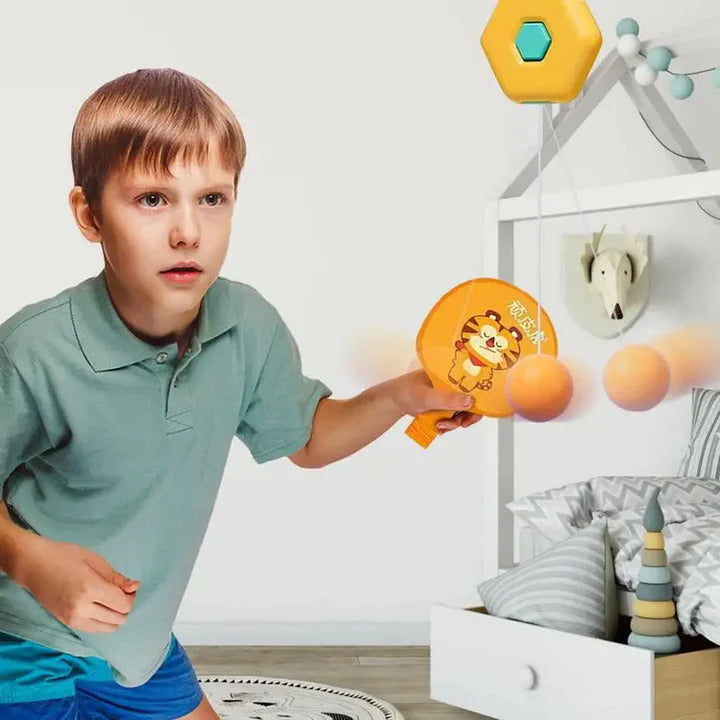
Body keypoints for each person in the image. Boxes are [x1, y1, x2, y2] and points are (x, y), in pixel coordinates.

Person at [0, 67, 480, 719]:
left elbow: (307, 437)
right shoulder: (34, 350)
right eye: (151, 200)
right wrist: (29, 561)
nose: (187, 232)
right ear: (90, 214)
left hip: (132, 640)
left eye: (212, 199)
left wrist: (403, 396)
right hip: (18, 638)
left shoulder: (244, 324)